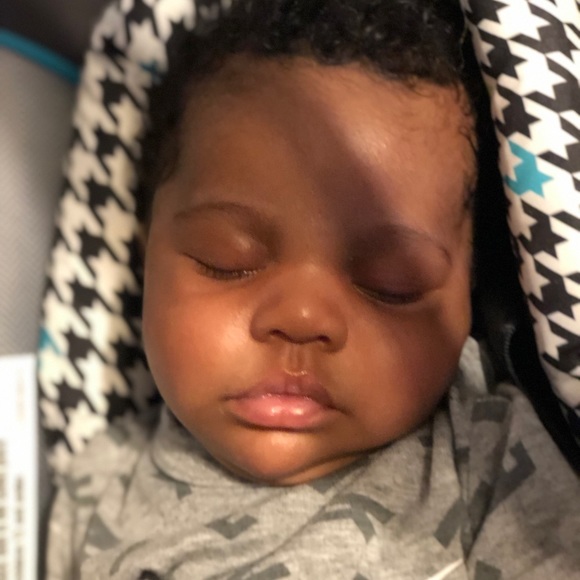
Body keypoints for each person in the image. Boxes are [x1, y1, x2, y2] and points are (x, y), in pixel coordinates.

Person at [46, 1, 580, 578]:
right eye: (226, 260)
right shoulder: (95, 487)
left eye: (391, 284)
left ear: (468, 288)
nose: (302, 317)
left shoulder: (501, 467)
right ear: (147, 250)